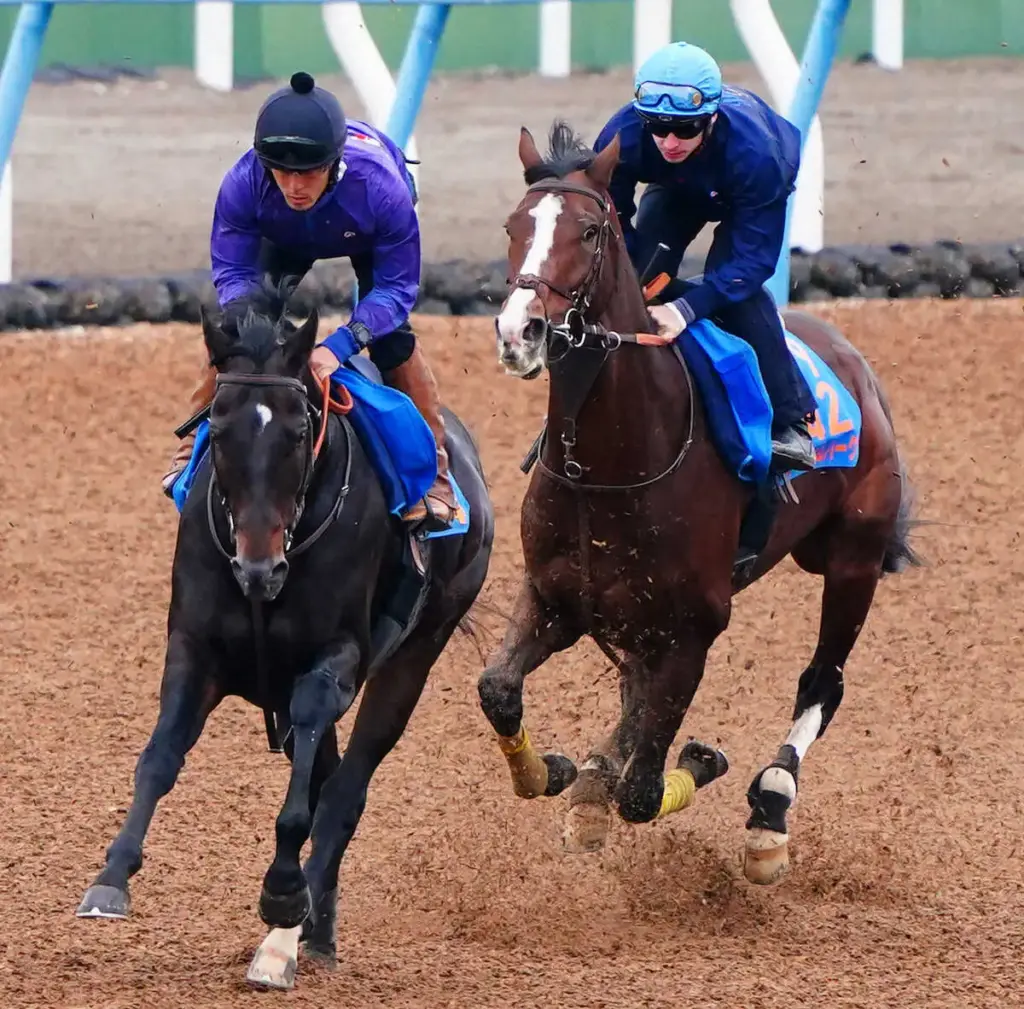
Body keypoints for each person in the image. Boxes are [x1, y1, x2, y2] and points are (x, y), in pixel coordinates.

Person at [161, 71, 459, 531]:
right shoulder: (244, 182)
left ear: (334, 164)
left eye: (309, 173)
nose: (294, 187)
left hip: (363, 229)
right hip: (285, 236)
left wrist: (339, 346)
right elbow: (233, 274)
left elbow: (396, 290)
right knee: (238, 330)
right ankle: (188, 451)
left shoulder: (382, 189)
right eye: (281, 172)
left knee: (392, 341)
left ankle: (435, 479)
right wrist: (249, 320)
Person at [593, 41, 818, 472]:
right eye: (657, 128)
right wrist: (637, 272)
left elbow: (751, 263)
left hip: (745, 190)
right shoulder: (623, 136)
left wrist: (686, 308)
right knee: (637, 277)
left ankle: (791, 421)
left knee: (734, 290)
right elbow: (609, 217)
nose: (670, 142)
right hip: (678, 188)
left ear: (711, 118)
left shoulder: (757, 155)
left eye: (685, 129)